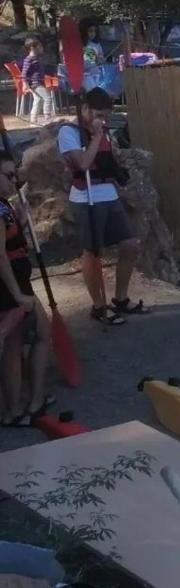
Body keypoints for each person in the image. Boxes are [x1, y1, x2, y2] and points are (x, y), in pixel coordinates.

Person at [57, 87, 144, 325]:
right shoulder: (68, 132)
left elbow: (106, 162)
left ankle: (121, 298)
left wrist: (122, 186)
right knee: (93, 251)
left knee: (130, 245)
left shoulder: (102, 132)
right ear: (85, 108)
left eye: (105, 116)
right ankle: (98, 305)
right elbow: (83, 164)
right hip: (86, 198)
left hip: (108, 194)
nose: (101, 120)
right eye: (98, 115)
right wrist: (95, 136)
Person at [0, 154, 53, 425]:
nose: (15, 181)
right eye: (8, 176)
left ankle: (20, 406)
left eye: (15, 175)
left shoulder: (4, 206)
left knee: (16, 343)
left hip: (16, 284)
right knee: (26, 340)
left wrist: (20, 222)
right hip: (11, 288)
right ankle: (23, 407)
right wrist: (18, 295)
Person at [21, 38, 54, 126]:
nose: (41, 48)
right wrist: (24, 84)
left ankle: (33, 121)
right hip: (35, 83)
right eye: (39, 46)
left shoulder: (37, 58)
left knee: (38, 100)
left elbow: (41, 70)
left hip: (39, 82)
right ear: (32, 47)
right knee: (48, 98)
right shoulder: (29, 59)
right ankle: (47, 117)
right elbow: (24, 73)